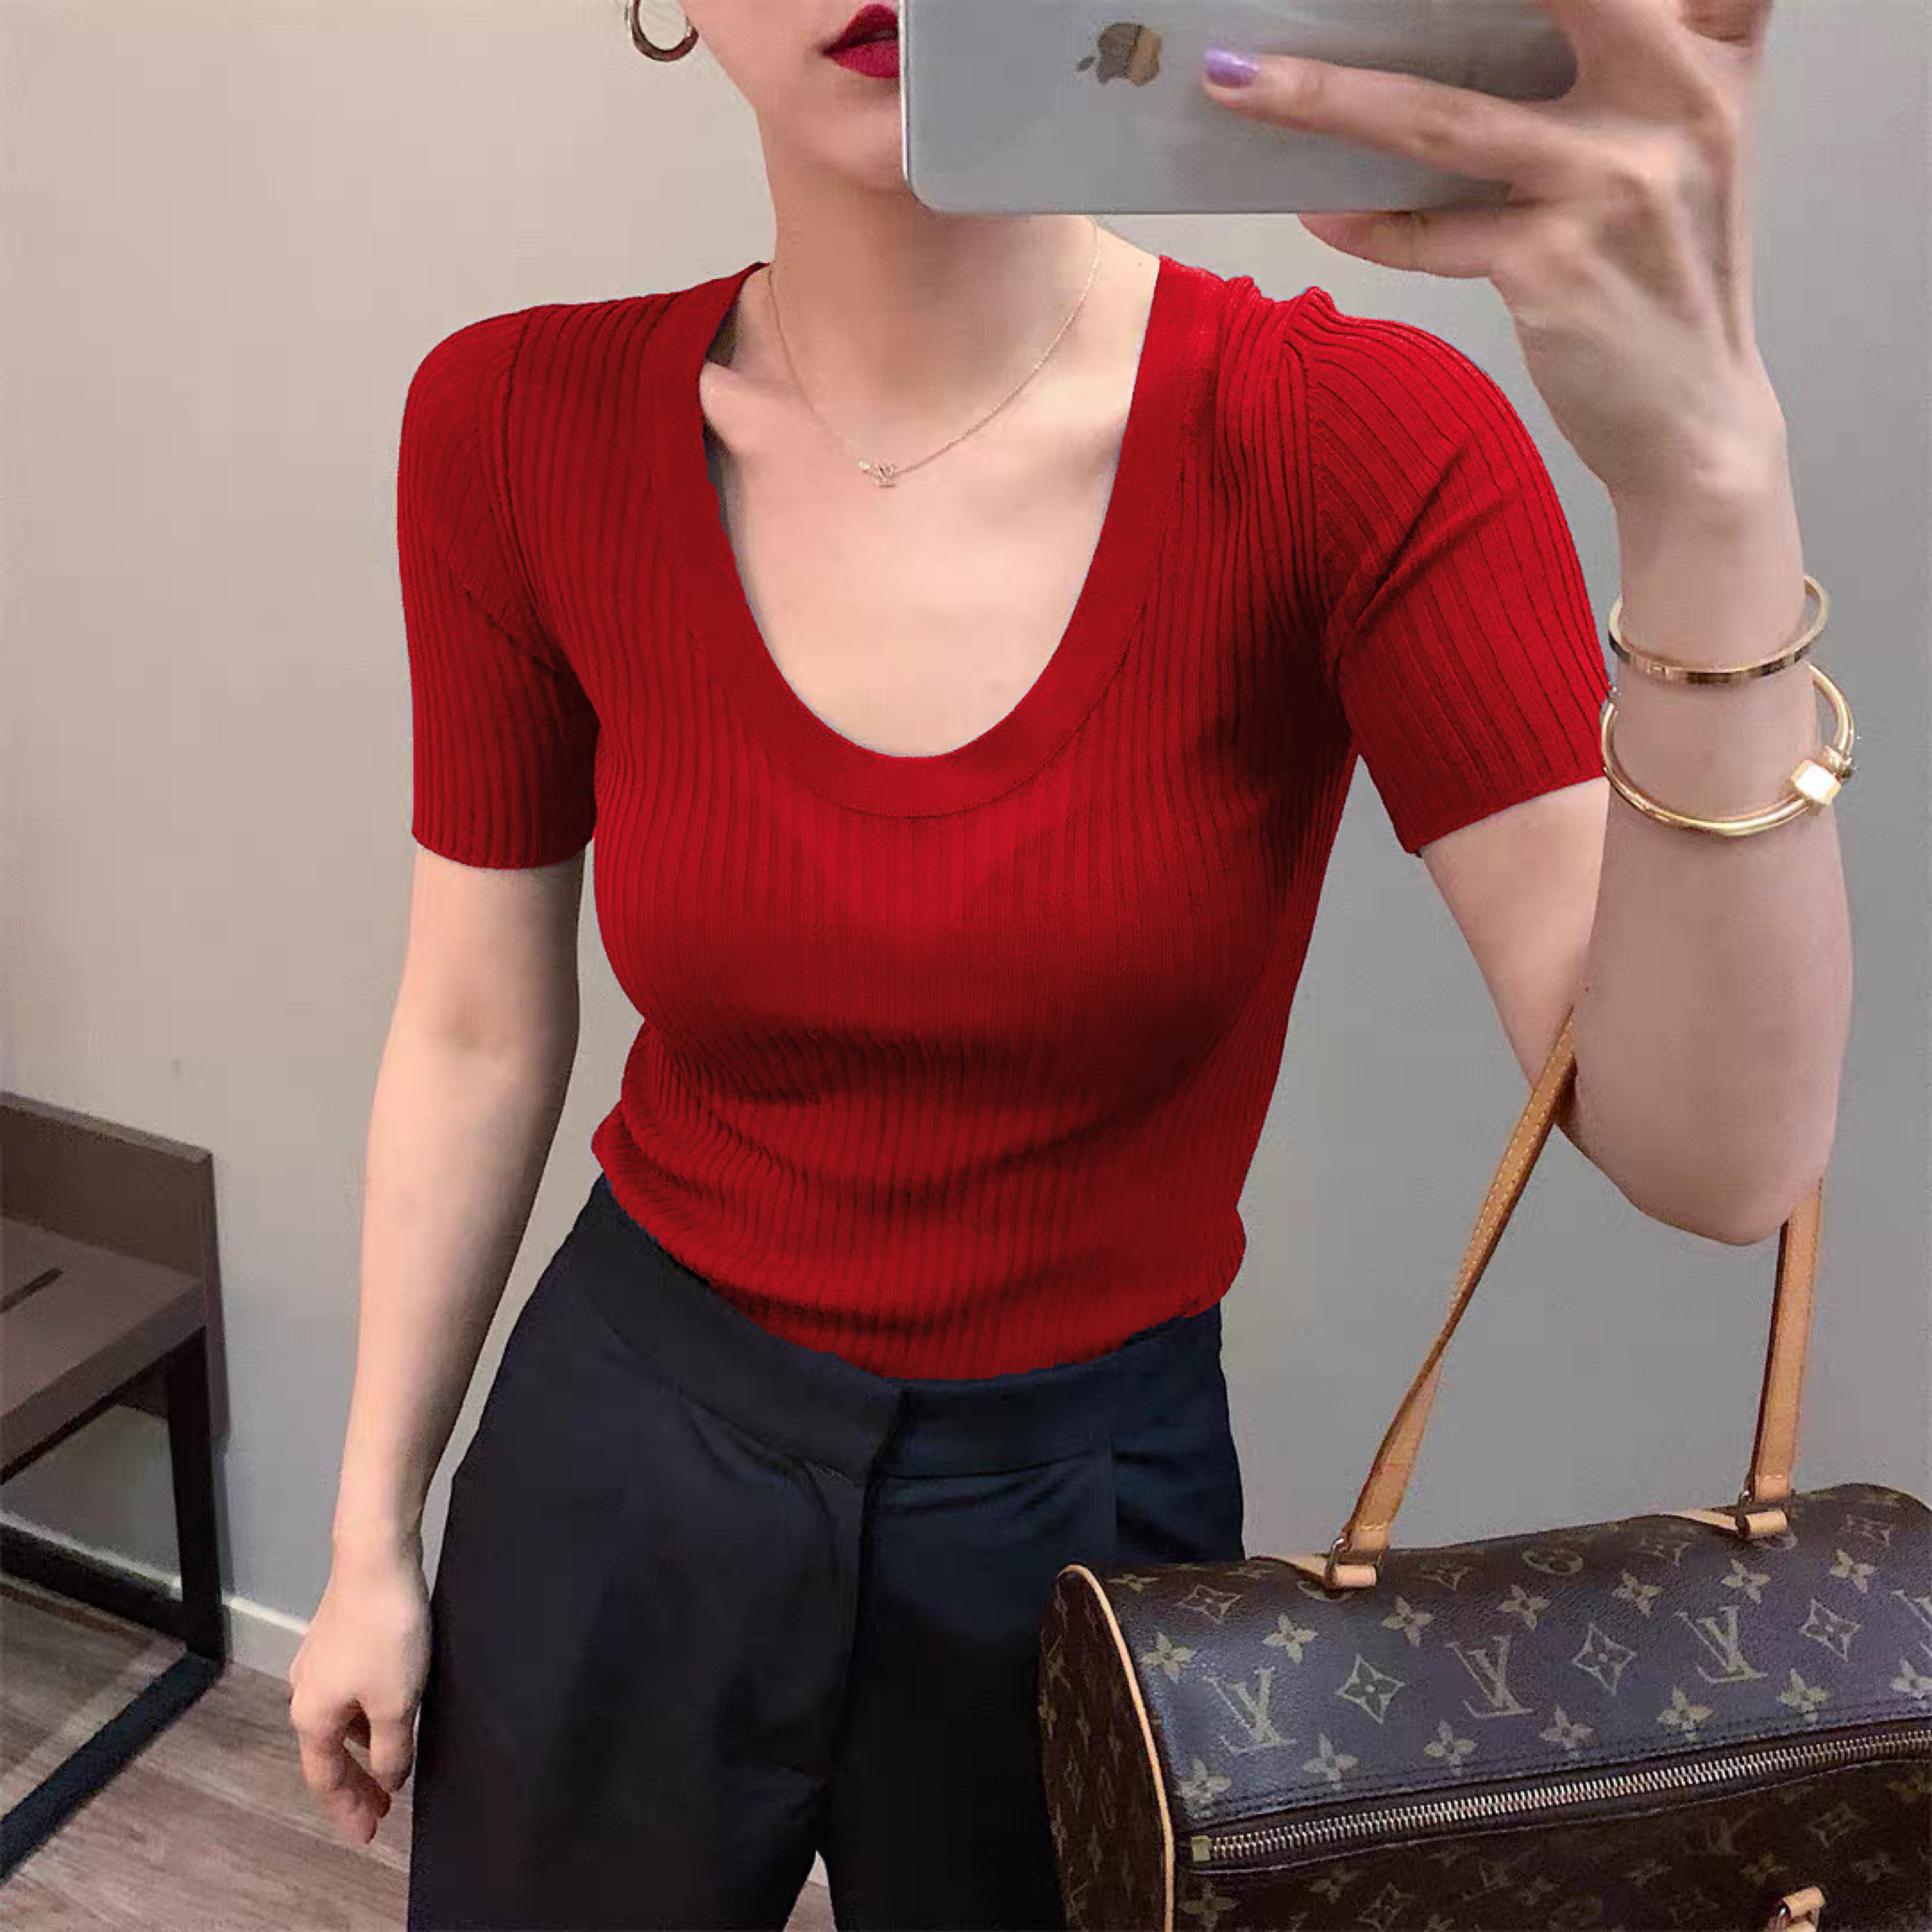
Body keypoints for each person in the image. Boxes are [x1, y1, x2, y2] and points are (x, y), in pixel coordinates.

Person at [287, 0, 1852, 1926]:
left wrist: (1710, 487)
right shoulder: (512, 421)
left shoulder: (1346, 443)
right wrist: (367, 1533)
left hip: (1085, 1516)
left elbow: (1718, 1160)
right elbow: (470, 1028)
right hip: (628, 1452)